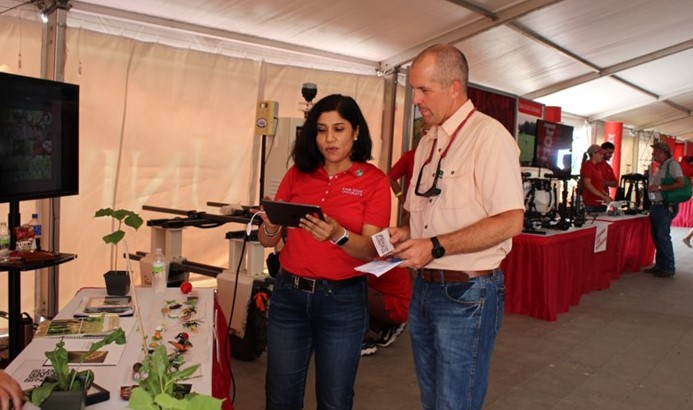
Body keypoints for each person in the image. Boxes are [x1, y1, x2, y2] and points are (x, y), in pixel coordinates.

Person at [387, 44, 525, 410]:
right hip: (425, 288)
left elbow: (511, 220)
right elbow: (424, 208)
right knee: (433, 400)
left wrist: (433, 245)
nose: (416, 99)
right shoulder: (427, 140)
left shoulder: (488, 137)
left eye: (424, 90)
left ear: (454, 87)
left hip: (468, 294)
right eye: (414, 89)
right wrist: (406, 230)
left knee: (455, 403)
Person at [256, 94, 391, 409]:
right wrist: (271, 222)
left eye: (339, 129)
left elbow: (372, 249)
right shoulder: (297, 174)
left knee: (334, 400)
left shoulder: (374, 181)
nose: (329, 138)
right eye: (321, 129)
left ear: (356, 132)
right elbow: (266, 240)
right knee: (280, 398)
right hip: (289, 296)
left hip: (341, 302)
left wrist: (338, 234)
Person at [645, 142, 683, 277]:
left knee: (662, 236)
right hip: (657, 205)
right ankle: (660, 265)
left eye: (655, 152)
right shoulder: (662, 166)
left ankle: (668, 267)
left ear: (662, 152)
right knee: (657, 236)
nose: (653, 154)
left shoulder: (673, 165)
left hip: (665, 205)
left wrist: (660, 188)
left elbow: (680, 183)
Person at [360, 266, 412, 356]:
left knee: (351, 290)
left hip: (396, 306)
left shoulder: (376, 259)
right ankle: (388, 325)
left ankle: (363, 340)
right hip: (399, 306)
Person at [580, 144, 612, 213]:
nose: (602, 156)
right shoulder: (588, 166)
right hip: (590, 204)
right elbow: (587, 184)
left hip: (599, 203)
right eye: (600, 154)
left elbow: (597, 184)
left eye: (603, 154)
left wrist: (605, 195)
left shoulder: (597, 167)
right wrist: (603, 196)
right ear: (594, 154)